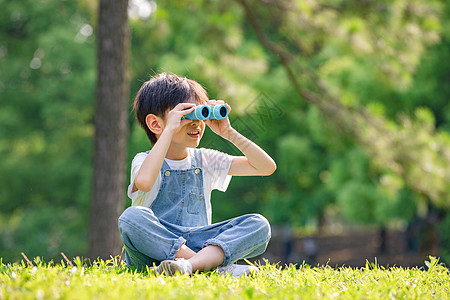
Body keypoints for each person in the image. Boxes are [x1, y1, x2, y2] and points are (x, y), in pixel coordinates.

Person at [118, 72, 276, 277]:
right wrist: (169, 131)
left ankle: (190, 267)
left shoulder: (205, 160)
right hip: (153, 250)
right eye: (186, 115)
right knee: (131, 218)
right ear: (156, 124)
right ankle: (209, 268)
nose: (196, 123)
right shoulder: (143, 160)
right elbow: (145, 182)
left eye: (200, 115)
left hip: (202, 243)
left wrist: (228, 132)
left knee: (258, 224)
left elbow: (265, 167)